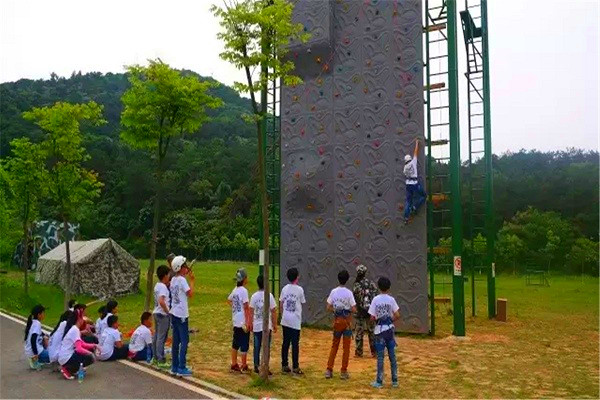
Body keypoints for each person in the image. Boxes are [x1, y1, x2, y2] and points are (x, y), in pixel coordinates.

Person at [368, 277, 400, 389]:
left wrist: (376, 319)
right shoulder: (391, 300)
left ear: (379, 287)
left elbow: (372, 316)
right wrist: (390, 320)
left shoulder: (376, 300)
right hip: (389, 331)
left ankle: (379, 381)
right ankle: (395, 381)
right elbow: (397, 315)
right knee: (392, 356)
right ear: (389, 287)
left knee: (380, 357)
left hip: (379, 331)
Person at [325, 270, 357, 380]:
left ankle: (329, 369)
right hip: (347, 322)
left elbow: (328, 307)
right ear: (347, 280)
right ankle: (343, 371)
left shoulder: (334, 292)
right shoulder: (349, 293)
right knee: (346, 348)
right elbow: (353, 308)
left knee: (334, 345)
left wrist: (336, 310)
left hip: (337, 321)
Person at [169, 255, 195, 377]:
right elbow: (190, 294)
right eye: (185, 266)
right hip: (182, 314)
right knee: (184, 340)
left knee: (176, 340)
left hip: (174, 313)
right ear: (180, 267)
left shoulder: (174, 279)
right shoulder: (183, 280)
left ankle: (174, 366)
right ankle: (181, 366)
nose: (186, 268)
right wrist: (192, 280)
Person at [280, 267, 305, 375]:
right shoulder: (299, 289)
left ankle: (284, 364)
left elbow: (281, 303)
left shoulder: (285, 289)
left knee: (285, 342)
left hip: (285, 319)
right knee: (295, 344)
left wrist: (283, 314)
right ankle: (295, 366)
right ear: (296, 277)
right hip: (295, 321)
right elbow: (302, 302)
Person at [249, 274, 277, 374]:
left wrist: (250, 323)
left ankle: (256, 365)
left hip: (257, 325)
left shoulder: (254, 296)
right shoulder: (269, 295)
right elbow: (273, 311)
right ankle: (265, 365)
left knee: (257, 346)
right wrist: (274, 324)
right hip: (267, 326)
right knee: (266, 347)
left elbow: (251, 311)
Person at [58, 310, 97, 380]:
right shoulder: (75, 329)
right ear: (79, 319)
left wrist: (94, 345)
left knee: (87, 355)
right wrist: (90, 353)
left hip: (64, 357)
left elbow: (82, 343)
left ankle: (71, 369)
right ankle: (68, 369)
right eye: (83, 317)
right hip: (66, 357)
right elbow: (79, 348)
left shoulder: (74, 328)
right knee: (90, 358)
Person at [227, 268, 252, 373]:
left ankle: (234, 363)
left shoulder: (235, 290)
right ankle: (244, 364)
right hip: (243, 321)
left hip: (236, 320)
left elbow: (229, 300)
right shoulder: (244, 291)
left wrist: (235, 307)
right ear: (244, 279)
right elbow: (246, 307)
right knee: (244, 343)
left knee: (235, 342)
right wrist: (249, 321)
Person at [352, 264, 378, 358]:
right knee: (372, 332)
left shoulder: (356, 284)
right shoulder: (371, 283)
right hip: (370, 311)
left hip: (360, 312)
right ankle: (374, 352)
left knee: (359, 332)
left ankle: (359, 352)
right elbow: (375, 294)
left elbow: (355, 298)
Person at [403, 139, 426, 224]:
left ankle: (406, 217)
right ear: (410, 159)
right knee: (423, 196)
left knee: (408, 201)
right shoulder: (413, 162)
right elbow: (416, 152)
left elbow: (405, 174)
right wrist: (417, 143)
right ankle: (415, 207)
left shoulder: (405, 168)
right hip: (415, 184)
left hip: (408, 185)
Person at [152, 265, 171, 368]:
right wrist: (168, 312)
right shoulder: (163, 287)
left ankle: (155, 357)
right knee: (161, 337)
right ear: (165, 275)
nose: (169, 276)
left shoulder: (157, 285)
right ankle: (160, 359)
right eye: (168, 274)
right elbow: (161, 301)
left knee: (156, 336)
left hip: (156, 313)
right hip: (162, 314)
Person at [24, 304, 49, 369]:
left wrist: (45, 336)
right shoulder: (37, 324)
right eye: (43, 313)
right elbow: (33, 339)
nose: (44, 315)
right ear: (39, 315)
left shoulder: (33, 322)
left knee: (45, 338)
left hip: (29, 350)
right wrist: (35, 354)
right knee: (53, 356)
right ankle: (35, 360)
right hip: (35, 351)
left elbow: (40, 333)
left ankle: (36, 359)